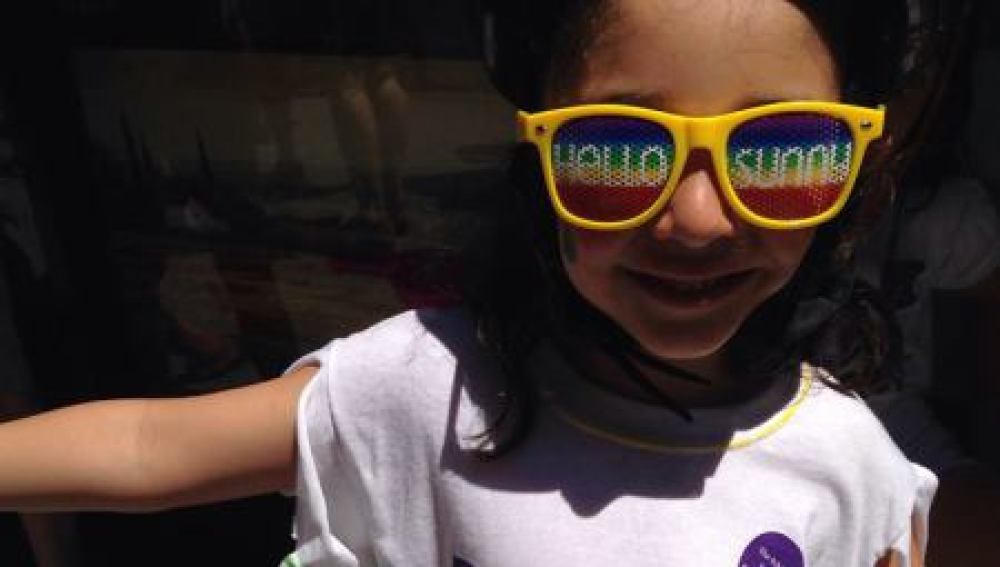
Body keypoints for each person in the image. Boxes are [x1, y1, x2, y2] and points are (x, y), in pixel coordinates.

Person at [0, 0, 959, 564]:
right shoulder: (431, 389)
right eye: (620, 150)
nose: (698, 217)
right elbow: (149, 444)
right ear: (535, 158)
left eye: (780, 152)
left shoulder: (852, 464)